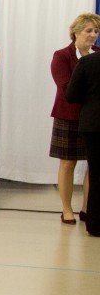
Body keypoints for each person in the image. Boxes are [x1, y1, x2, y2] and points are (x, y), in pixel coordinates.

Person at [50, 13, 99, 224]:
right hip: (68, 116)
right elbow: (65, 87)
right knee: (67, 163)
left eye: (96, 31)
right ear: (76, 32)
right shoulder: (61, 56)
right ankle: (67, 209)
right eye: (88, 31)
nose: (93, 35)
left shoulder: (97, 54)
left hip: (94, 118)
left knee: (93, 165)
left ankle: (88, 208)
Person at [66, 39, 100, 237]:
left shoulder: (88, 62)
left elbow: (71, 95)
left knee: (96, 175)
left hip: (94, 124)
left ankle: (95, 224)